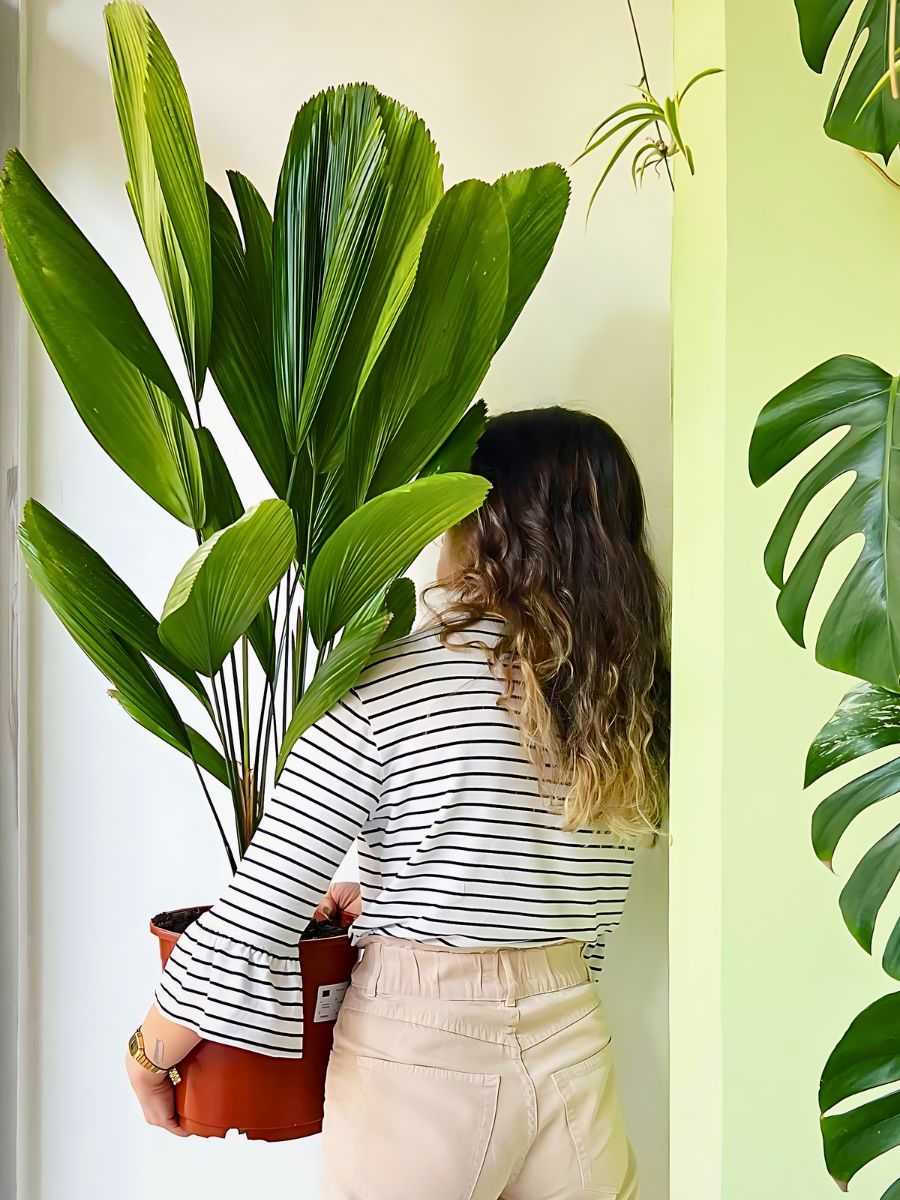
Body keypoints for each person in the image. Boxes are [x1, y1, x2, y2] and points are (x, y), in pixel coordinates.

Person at [125, 406, 670, 1199]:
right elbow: (580, 905)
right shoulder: (619, 703)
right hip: (573, 1042)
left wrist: (152, 1051)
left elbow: (265, 905)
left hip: (421, 1057)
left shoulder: (391, 681)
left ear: (479, 524)